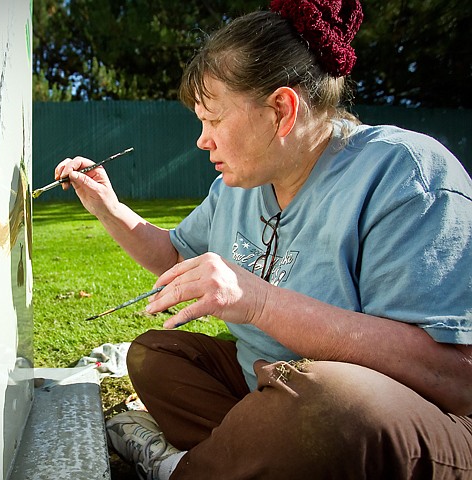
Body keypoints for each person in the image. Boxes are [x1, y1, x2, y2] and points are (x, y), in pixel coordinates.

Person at [53, 0, 472, 478]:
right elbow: (175, 256)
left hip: (405, 420)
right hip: (279, 389)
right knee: (157, 357)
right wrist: (109, 207)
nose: (202, 140)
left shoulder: (405, 175)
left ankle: (186, 469)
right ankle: (254, 452)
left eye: (212, 120)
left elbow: (457, 379)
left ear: (281, 109)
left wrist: (260, 303)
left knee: (326, 404)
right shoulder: (238, 188)